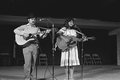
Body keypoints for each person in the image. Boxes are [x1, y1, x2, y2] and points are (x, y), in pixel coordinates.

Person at [14, 13, 50, 80]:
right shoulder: (24, 26)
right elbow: (15, 30)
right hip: (26, 46)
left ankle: (31, 77)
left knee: (33, 63)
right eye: (32, 19)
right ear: (28, 20)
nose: (33, 20)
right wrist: (23, 33)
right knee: (27, 63)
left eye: (34, 19)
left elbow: (41, 36)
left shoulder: (37, 28)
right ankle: (27, 78)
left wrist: (46, 33)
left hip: (35, 46)